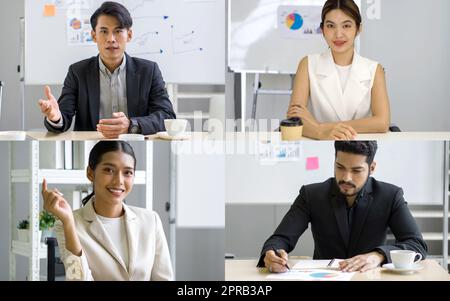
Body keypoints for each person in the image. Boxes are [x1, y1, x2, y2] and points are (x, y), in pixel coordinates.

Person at [258, 141, 427, 273]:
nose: (346, 177)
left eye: (356, 170)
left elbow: (416, 244)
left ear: (372, 168)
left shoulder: (390, 195)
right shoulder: (311, 194)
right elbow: (280, 239)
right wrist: (271, 254)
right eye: (340, 167)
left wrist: (378, 255)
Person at [38, 2, 176, 138]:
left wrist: (131, 125)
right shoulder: (77, 72)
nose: (111, 39)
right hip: (90, 148)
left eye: (118, 31)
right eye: (104, 31)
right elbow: (63, 119)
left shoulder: (149, 71)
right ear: (94, 36)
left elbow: (167, 116)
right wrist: (55, 117)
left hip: (136, 146)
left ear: (129, 35)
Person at [42, 141, 173, 280]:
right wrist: (68, 221)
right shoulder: (68, 224)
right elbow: (77, 278)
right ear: (90, 173)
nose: (119, 181)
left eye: (128, 172)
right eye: (109, 170)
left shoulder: (150, 220)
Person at [287, 0, 390, 140]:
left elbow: (382, 122)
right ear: (322, 30)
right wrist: (319, 132)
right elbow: (294, 117)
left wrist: (321, 127)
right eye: (331, 26)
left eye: (346, 25)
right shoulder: (308, 64)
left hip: (360, 149)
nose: (338, 34)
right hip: (317, 146)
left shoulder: (374, 69)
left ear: (358, 29)